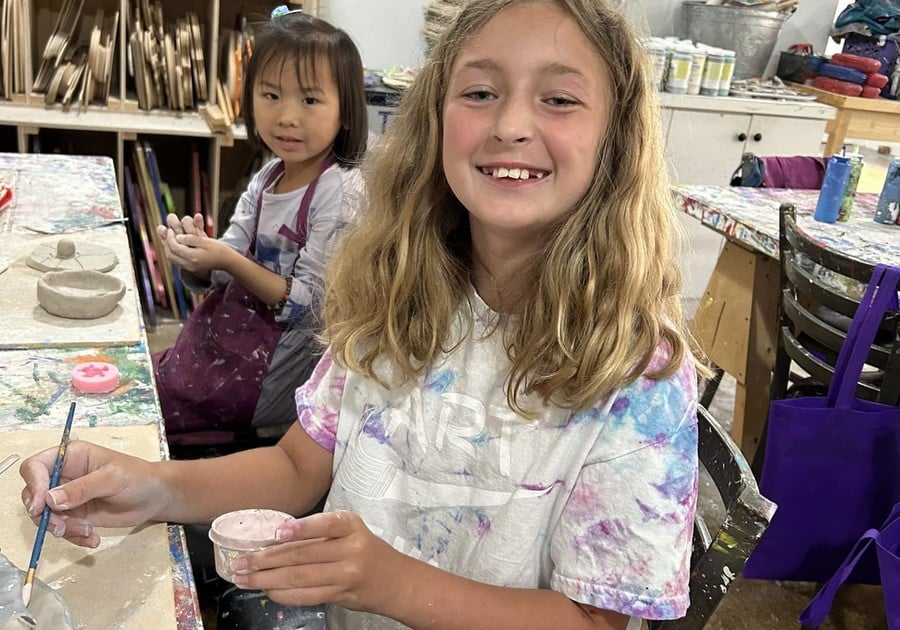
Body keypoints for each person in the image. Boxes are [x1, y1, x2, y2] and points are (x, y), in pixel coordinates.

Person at [20, 0, 705, 627]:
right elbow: (296, 469)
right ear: (435, 117)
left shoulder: (638, 373)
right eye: (479, 92)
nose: (510, 125)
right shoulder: (399, 296)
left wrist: (388, 582)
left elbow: (595, 622)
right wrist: (147, 485)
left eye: (559, 98)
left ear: (615, 139)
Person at [152, 6, 368, 447]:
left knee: (159, 414)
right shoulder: (267, 176)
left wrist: (229, 259)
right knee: (149, 381)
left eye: (309, 100)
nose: (287, 117)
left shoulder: (339, 192)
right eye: (271, 96)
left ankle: (236, 440)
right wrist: (193, 255)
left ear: (346, 111)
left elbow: (311, 306)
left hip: (276, 370)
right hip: (227, 339)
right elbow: (217, 269)